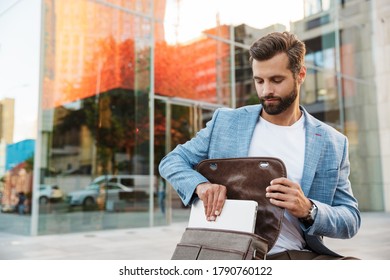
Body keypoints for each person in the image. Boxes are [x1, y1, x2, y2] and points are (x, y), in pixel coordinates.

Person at [159, 31, 361, 260]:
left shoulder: (332, 142)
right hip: (228, 255)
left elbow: (350, 219)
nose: (266, 91)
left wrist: (309, 209)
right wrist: (201, 185)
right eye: (259, 81)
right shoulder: (226, 123)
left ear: (300, 74)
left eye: (276, 80)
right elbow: (171, 161)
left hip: (294, 256)